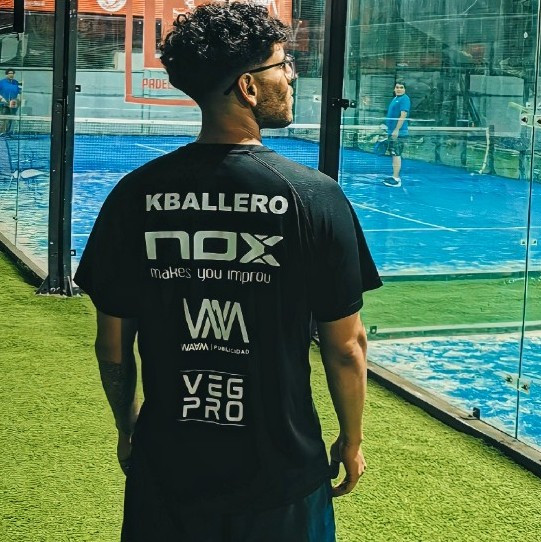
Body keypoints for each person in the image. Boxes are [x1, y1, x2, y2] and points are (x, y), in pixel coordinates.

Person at [74, 3, 381, 541]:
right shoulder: (313, 197)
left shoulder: (133, 196)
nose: (291, 75)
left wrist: (128, 425)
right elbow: (346, 346)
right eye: (282, 64)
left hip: (167, 468)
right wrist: (351, 440)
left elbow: (113, 347)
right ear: (248, 86)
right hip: (281, 475)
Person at [382, 80, 410, 187]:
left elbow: (403, 115)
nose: (399, 89)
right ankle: (394, 176)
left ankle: (397, 179)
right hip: (391, 131)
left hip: (399, 133)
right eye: (397, 87)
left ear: (405, 89)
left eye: (401, 87)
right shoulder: (395, 99)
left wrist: (397, 130)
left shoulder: (405, 99)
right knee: (393, 154)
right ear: (394, 89)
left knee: (396, 154)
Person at [0, 69, 21, 134]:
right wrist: (3, 100)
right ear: (6, 74)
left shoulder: (16, 83)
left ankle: (7, 132)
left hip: (13, 105)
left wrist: (17, 102)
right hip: (4, 104)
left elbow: (19, 93)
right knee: (3, 119)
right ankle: (1, 133)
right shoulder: (2, 82)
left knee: (10, 119)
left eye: (12, 73)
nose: (11, 75)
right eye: (10, 73)